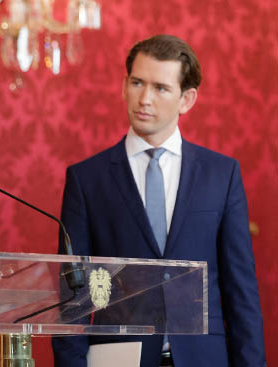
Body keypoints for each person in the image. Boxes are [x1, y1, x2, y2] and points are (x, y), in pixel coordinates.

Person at [52, 35, 266, 367]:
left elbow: (241, 291)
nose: (144, 99)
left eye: (160, 88)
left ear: (187, 99)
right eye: (137, 83)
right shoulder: (87, 179)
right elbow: (72, 297)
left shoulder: (221, 174)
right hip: (118, 359)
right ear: (124, 85)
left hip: (203, 358)